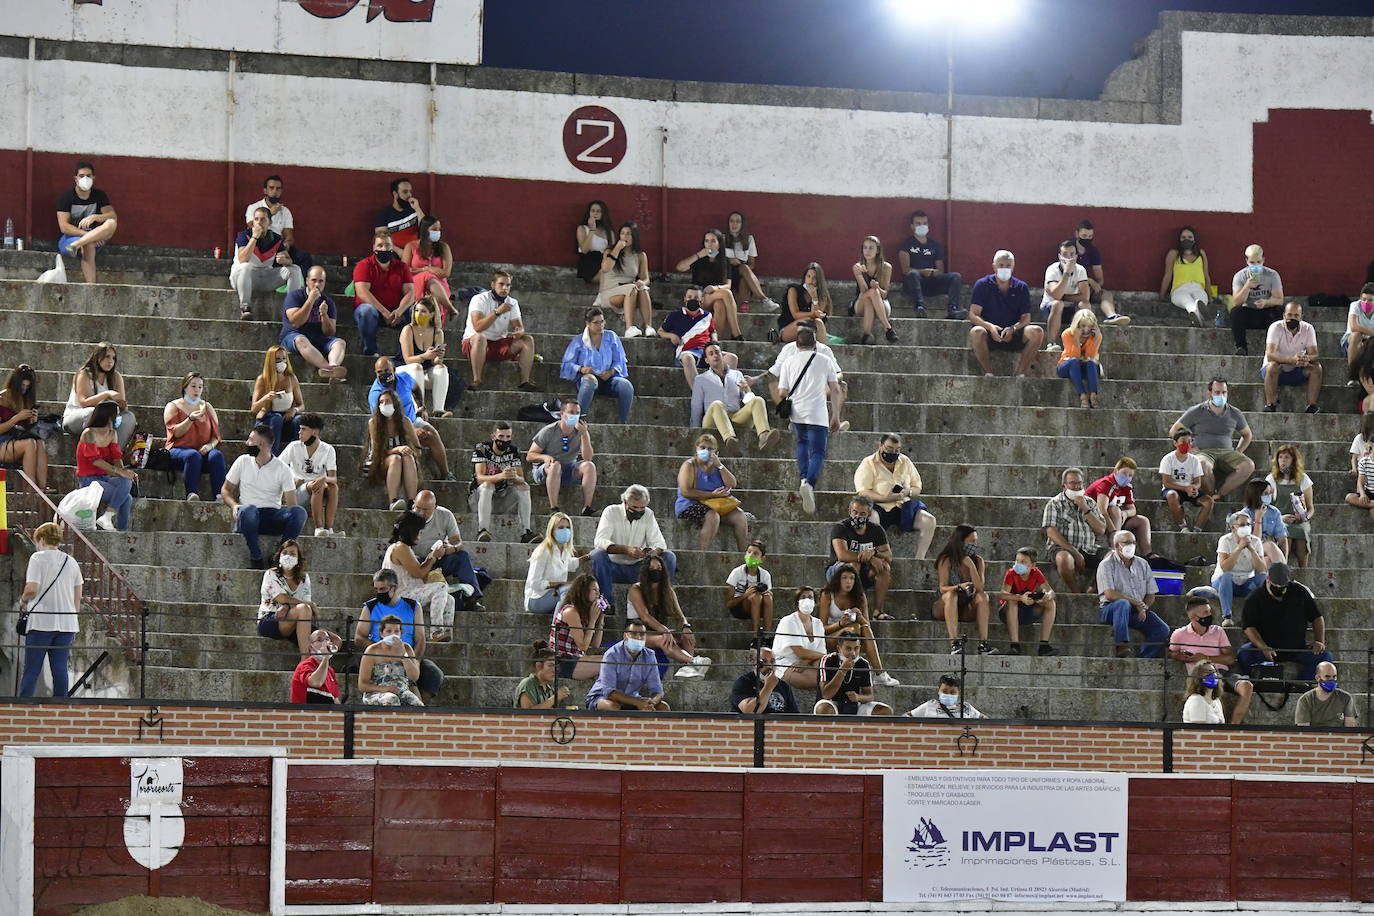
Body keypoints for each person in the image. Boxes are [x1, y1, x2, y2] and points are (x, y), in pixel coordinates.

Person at [777, 326, 842, 515]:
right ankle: (809, 483)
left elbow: (782, 392)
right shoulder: (824, 360)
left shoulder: (789, 362)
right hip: (818, 413)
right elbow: (836, 389)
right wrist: (836, 415)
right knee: (818, 453)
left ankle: (804, 478)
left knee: (802, 445)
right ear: (815, 344)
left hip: (797, 413)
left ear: (797, 344)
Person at [222, 424, 305, 570]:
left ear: (261, 444)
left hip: (272, 515)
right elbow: (226, 490)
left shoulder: (282, 468)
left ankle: (279, 555)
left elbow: (292, 504)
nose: (247, 443)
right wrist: (234, 505)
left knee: (299, 513)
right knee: (249, 510)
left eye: (250, 440)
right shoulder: (243, 461)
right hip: (248, 515)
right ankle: (256, 556)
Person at [354, 569, 444, 701]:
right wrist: (381, 650)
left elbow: (420, 639)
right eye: (377, 589)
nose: (379, 593)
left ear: (394, 588)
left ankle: (418, 708)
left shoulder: (413, 606)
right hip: (379, 656)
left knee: (434, 674)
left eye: (383, 589)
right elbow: (359, 637)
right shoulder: (370, 606)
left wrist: (415, 661)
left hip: (407, 654)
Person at [16, 522, 83, 697]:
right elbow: (78, 596)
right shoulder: (71, 561)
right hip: (66, 624)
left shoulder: (37, 558)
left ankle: (22, 708)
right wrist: (73, 619)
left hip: (41, 622)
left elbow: (32, 589)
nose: (36, 545)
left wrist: (23, 601)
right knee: (60, 669)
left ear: (42, 539)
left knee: (31, 670)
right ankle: (61, 709)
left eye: (36, 540)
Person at [1235, 562, 1332, 682]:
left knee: (1324, 657)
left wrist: (1319, 641)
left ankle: (1301, 684)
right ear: (1268, 579)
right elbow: (1249, 627)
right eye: (1275, 584)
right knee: (1244, 653)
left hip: (1297, 648)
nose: (1279, 588)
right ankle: (1256, 683)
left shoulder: (1299, 592)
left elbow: (1317, 617)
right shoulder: (1254, 598)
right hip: (1266, 649)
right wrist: (1263, 647)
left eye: (1282, 586)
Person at [1168, 593, 1253, 724]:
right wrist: (1184, 657)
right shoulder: (1179, 634)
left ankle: (1233, 728)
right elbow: (1172, 653)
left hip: (1222, 672)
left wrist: (1205, 657)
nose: (1209, 614)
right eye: (1205, 612)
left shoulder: (1218, 631)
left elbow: (1230, 658)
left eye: (1209, 611)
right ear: (1193, 617)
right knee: (1217, 697)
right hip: (1200, 676)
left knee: (1246, 686)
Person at [367, 357, 452, 481]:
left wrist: (421, 406)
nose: (383, 374)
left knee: (432, 434)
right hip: (393, 430)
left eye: (387, 370)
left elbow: (416, 388)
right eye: (379, 372)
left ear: (394, 370)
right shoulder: (376, 395)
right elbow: (383, 423)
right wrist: (410, 431)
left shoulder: (404, 378)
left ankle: (446, 474)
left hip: (413, 420)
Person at [853, 433, 937, 559]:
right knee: (871, 518)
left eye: (897, 450)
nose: (893, 453)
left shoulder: (905, 461)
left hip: (904, 506)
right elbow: (863, 491)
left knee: (929, 521)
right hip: (879, 506)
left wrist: (907, 492)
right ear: (881, 446)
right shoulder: (868, 463)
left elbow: (917, 487)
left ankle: (919, 558)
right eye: (889, 449)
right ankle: (874, 556)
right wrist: (886, 498)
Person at [627, 554, 712, 679]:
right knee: (664, 639)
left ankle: (688, 669)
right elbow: (645, 617)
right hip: (635, 634)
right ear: (645, 570)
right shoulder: (635, 589)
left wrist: (686, 627)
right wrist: (665, 630)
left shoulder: (667, 590)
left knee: (685, 636)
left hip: (657, 632)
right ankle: (693, 661)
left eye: (659, 567)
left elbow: (679, 615)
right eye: (651, 567)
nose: (655, 570)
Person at [1170, 378, 1254, 500]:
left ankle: (1219, 494)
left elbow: (1247, 435)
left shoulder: (1235, 413)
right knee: (1202, 465)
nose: (1221, 395)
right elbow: (1174, 431)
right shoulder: (1197, 411)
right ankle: (1209, 496)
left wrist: (1239, 450)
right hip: (1203, 452)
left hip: (1227, 452)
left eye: (1224, 392)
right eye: (1217, 392)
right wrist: (1189, 449)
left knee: (1248, 465)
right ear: (1210, 393)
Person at [591, 484, 675, 606]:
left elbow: (659, 543)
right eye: (635, 507)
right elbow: (600, 541)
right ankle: (607, 603)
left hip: (639, 568)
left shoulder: (648, 514)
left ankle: (664, 601)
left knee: (669, 557)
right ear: (625, 502)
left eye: (642, 508)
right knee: (597, 554)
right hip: (612, 568)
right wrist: (626, 550)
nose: (639, 511)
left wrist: (651, 554)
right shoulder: (611, 511)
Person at [818, 563, 900, 686]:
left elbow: (867, 625)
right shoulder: (828, 594)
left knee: (862, 628)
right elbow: (821, 629)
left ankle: (879, 674)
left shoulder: (859, 596)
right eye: (844, 578)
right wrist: (841, 624)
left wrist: (860, 617)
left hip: (853, 637)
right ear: (838, 580)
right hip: (831, 638)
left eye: (851, 578)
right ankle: (851, 668)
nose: (848, 582)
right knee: (854, 628)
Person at [382, 510, 456, 643]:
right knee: (440, 587)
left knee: (450, 599)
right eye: (420, 531)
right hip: (401, 596)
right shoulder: (400, 548)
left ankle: (446, 634)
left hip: (410, 593)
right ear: (412, 531)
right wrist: (433, 557)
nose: (421, 534)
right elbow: (419, 573)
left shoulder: (404, 548)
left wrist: (432, 556)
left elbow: (419, 571)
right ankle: (436, 631)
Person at [968, 250, 1044, 377]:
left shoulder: (1021, 287)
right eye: (1001, 265)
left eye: (1008, 265)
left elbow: (1026, 318)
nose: (1004, 268)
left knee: (1037, 331)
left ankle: (1020, 374)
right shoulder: (982, 285)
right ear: (994, 266)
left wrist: (1013, 329)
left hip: (1014, 333)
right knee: (976, 332)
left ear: (1013, 266)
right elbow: (973, 314)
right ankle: (989, 372)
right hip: (989, 333)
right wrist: (990, 327)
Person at [692, 342, 778, 453]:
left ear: (722, 355)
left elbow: (748, 401)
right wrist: (694, 430)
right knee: (717, 404)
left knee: (758, 400)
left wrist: (747, 390)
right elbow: (696, 407)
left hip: (735, 416)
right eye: (711, 353)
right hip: (713, 418)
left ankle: (764, 436)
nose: (715, 355)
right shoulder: (701, 379)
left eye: (717, 352)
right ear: (707, 360)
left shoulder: (736, 374)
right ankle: (730, 440)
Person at [1096, 531, 1168, 659]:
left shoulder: (1142, 564)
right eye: (1127, 543)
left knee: (1162, 629)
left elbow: (1151, 594)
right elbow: (1110, 594)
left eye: (1133, 543)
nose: (1131, 546)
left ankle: (1143, 657)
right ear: (1117, 546)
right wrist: (1136, 603)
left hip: (1137, 611)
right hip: (1111, 609)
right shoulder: (1106, 565)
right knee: (1123, 604)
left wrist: (1143, 607)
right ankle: (1121, 644)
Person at [463, 270, 537, 392]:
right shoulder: (479, 299)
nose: (504, 288)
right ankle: (477, 380)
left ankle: (525, 382)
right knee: (480, 337)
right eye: (501, 284)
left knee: (528, 340)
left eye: (508, 285)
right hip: (474, 344)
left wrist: (519, 332)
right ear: (493, 285)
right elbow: (478, 327)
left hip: (498, 344)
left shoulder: (512, 302)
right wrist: (497, 312)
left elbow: (519, 327)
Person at [675, 433, 749, 551]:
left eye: (710, 449)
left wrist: (719, 465)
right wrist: (712, 494)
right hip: (690, 505)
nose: (706, 451)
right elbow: (686, 491)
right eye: (702, 448)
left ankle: (743, 556)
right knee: (712, 516)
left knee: (740, 516)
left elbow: (732, 483)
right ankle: (703, 555)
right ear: (697, 449)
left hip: (716, 505)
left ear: (716, 453)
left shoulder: (717, 467)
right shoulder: (689, 465)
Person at [561, 306, 634, 421]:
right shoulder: (578, 341)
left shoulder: (611, 337)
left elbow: (620, 360)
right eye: (596, 323)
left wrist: (611, 371)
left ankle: (622, 421)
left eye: (602, 322)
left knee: (626, 385)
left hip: (609, 379)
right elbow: (567, 364)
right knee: (589, 380)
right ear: (588, 323)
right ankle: (578, 420)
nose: (600, 326)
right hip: (588, 381)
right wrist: (582, 369)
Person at [1042, 467, 1108, 593]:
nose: (1077, 487)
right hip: (1062, 548)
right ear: (1064, 486)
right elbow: (1050, 532)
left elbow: (1101, 530)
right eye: (1072, 483)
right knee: (1064, 559)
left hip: (1089, 547)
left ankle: (1093, 589)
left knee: (1113, 557)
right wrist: (1075, 552)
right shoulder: (1055, 503)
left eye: (1079, 483)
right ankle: (1075, 592)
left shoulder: (1090, 503)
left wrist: (1085, 509)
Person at [827, 496, 894, 619]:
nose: (858, 516)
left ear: (869, 514)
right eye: (855, 512)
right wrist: (870, 558)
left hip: (865, 572)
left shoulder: (876, 529)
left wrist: (874, 552)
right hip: (838, 570)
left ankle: (878, 611)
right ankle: (852, 608)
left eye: (862, 513)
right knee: (853, 566)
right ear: (849, 511)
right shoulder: (840, 527)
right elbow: (842, 555)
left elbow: (888, 555)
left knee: (885, 567)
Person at [163, 372, 226, 502]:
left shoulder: (207, 407)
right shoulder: (173, 406)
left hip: (202, 451)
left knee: (216, 456)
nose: (197, 390)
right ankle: (191, 493)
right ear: (185, 387)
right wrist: (190, 419)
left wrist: (210, 446)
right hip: (178, 451)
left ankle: (219, 495)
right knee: (192, 455)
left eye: (200, 387)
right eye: (193, 386)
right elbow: (176, 433)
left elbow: (216, 436)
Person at [231, 207, 303, 320]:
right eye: (256, 219)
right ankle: (245, 308)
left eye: (263, 219)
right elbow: (243, 258)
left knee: (295, 269)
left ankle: (291, 308)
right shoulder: (244, 235)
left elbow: (289, 260)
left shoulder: (275, 238)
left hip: (265, 277)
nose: (259, 222)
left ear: (269, 222)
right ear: (253, 222)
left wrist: (285, 260)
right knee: (245, 266)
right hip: (243, 277)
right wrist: (254, 237)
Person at [527, 400, 598, 515]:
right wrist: (545, 457)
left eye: (577, 413)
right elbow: (530, 455)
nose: (574, 416)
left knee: (590, 466)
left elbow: (588, 458)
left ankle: (587, 507)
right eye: (571, 412)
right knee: (556, 465)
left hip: (568, 468)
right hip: (547, 470)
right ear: (562, 414)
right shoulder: (549, 431)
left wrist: (584, 435)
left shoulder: (581, 431)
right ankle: (554, 508)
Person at [413, 489, 483, 603]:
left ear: (435, 507)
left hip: (440, 560)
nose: (421, 513)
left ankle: (472, 598)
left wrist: (451, 548)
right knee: (412, 560)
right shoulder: (408, 518)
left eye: (425, 510)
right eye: (418, 508)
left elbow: (458, 542)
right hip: (418, 562)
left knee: (462, 556)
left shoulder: (445, 515)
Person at [933, 525, 995, 656]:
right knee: (951, 595)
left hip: (966, 607)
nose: (975, 544)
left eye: (976, 541)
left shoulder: (978, 561)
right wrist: (959, 587)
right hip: (945, 606)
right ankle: (954, 644)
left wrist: (971, 566)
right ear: (961, 542)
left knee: (983, 597)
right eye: (971, 541)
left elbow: (980, 588)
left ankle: (983, 644)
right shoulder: (946, 559)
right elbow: (942, 588)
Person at [470, 421, 536, 543]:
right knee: (488, 484)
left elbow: (521, 478)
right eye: (501, 436)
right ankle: (482, 530)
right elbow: (480, 478)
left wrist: (513, 476)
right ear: (493, 436)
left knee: (524, 486)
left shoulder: (513, 451)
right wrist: (501, 475)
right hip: (478, 497)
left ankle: (526, 532)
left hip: (501, 497)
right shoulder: (482, 448)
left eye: (508, 437)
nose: (505, 440)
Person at [353, 229, 415, 356]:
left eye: (387, 245)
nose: (384, 248)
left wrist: (399, 310)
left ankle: (404, 354)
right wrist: (384, 312)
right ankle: (370, 350)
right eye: (380, 245)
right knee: (366, 311)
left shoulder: (402, 267)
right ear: (374, 247)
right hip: (373, 312)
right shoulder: (364, 265)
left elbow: (410, 293)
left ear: (392, 247)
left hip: (396, 313)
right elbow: (362, 292)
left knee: (415, 311)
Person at [61, 341, 135, 449]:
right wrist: (107, 394)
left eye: (113, 358)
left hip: (107, 418)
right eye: (106, 357)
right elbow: (84, 402)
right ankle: (93, 455)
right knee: (92, 412)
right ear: (97, 357)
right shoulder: (84, 374)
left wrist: (122, 405)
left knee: (129, 417)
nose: (110, 361)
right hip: (76, 418)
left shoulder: (116, 376)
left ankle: (114, 454)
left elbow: (122, 404)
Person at [673, 229, 744, 340]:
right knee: (727, 294)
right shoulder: (699, 259)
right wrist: (698, 255)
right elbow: (680, 267)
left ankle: (714, 340)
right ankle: (736, 333)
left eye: (713, 241)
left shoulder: (724, 261)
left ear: (719, 244)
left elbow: (728, 284)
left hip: (716, 294)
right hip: (699, 297)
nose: (709, 244)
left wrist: (715, 288)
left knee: (720, 304)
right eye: (707, 241)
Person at [76, 402, 136, 531]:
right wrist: (119, 471)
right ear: (108, 417)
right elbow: (95, 461)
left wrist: (125, 472)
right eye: (117, 414)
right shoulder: (89, 433)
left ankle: (112, 522)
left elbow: (116, 458)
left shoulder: (112, 433)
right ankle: (112, 521)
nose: (119, 417)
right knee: (126, 497)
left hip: (104, 478)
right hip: (88, 480)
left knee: (126, 482)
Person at [281, 266, 348, 382]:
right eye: (314, 280)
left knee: (340, 343)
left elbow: (330, 332)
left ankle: (333, 366)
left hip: (317, 337)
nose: (317, 284)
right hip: (293, 335)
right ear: (307, 281)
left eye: (321, 281)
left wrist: (324, 316)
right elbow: (296, 322)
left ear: (324, 283)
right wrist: (310, 301)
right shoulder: (294, 296)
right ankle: (329, 370)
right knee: (301, 340)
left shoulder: (328, 302)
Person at [56, 160, 117, 284]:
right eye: (82, 176)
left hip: (92, 236)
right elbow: (64, 227)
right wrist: (88, 237)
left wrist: (96, 217)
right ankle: (92, 287)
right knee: (88, 244)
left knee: (111, 223)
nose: (85, 179)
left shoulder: (99, 195)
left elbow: (112, 215)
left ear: (94, 177)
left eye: (88, 176)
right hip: (70, 238)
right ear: (76, 178)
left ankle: (78, 245)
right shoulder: (67, 197)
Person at [586, 621, 669, 711]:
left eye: (642, 634)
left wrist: (651, 702)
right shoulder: (612, 654)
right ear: (625, 636)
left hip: (633, 698)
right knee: (612, 707)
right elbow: (609, 692)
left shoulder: (650, 656)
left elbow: (657, 691)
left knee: (663, 707)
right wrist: (638, 703)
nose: (638, 637)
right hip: (602, 697)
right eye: (634, 634)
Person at [279, 413, 340, 537]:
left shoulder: (328, 449)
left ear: (315, 432)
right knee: (317, 485)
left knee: (333, 487)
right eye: (300, 429)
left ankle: (329, 529)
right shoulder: (293, 447)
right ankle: (318, 527)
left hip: (318, 491)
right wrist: (291, 482)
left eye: (303, 429)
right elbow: (277, 468)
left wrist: (324, 478)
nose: (299, 432)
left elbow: (333, 478)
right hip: (297, 492)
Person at [256, 539, 317, 659]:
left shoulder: (304, 578)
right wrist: (307, 604)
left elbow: (306, 603)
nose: (288, 556)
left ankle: (317, 669)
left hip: (296, 622)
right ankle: (304, 663)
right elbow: (281, 598)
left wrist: (292, 606)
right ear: (279, 556)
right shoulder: (271, 574)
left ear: (299, 559)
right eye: (285, 553)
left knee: (334, 640)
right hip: (270, 619)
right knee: (304, 608)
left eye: (293, 553)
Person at [897, 210, 963, 319]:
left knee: (955, 276)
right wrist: (923, 271)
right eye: (918, 223)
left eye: (924, 223)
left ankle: (953, 310)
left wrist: (933, 273)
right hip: (913, 284)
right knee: (913, 274)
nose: (922, 226)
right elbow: (905, 270)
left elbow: (941, 270)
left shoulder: (935, 245)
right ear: (912, 226)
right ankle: (919, 308)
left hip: (931, 282)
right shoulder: (906, 244)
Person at [363, 389, 421, 510]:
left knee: (408, 457)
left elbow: (417, 447)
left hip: (402, 460)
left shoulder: (405, 421)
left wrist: (410, 451)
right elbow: (376, 453)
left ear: (395, 403)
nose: (384, 405)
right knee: (396, 458)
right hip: (378, 462)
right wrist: (397, 449)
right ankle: (393, 501)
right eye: (381, 402)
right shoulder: (374, 423)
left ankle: (411, 502)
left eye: (388, 401)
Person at [1261, 301, 1322, 414]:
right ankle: (1271, 404)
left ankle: (1311, 406)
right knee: (1272, 366)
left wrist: (1306, 359)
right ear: (1284, 315)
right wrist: (1292, 360)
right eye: (1289, 315)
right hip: (1275, 372)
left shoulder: (1308, 329)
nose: (1292, 318)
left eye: (1296, 316)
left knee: (1316, 367)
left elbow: (1315, 355)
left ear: (1301, 317)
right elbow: (1270, 355)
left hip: (1297, 371)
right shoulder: (1275, 327)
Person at [996, 547, 1059, 656]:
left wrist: (1047, 596)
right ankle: (1015, 646)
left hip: (1028, 611)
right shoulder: (1011, 573)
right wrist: (1020, 598)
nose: (1018, 564)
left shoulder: (1036, 573)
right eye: (1017, 560)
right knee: (1012, 601)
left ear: (1033, 565)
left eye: (1023, 562)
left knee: (1051, 603)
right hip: (1008, 613)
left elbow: (1051, 591)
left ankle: (1044, 645)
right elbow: (1002, 594)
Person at [1084, 457, 1153, 557]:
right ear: (1116, 471)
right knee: (1115, 509)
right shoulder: (1106, 484)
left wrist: (1125, 513)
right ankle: (1115, 547)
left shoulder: (1127, 487)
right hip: (1097, 521)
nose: (1127, 477)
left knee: (1142, 520)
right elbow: (1101, 510)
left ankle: (1148, 555)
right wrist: (1114, 532)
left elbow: (1132, 509)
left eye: (1130, 475)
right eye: (1125, 473)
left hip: (1116, 521)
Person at [1210, 511, 1269, 627]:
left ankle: (1262, 616)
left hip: (1246, 583)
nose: (1246, 527)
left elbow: (1262, 569)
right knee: (1226, 576)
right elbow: (1225, 567)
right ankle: (1227, 616)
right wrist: (1239, 548)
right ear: (1233, 527)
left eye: (1248, 524)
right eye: (1242, 525)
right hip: (1225, 582)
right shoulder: (1225, 540)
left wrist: (1251, 549)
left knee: (1263, 578)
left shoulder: (1256, 541)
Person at [245, 174, 311, 276]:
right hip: (260, 245)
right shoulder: (253, 208)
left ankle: (307, 290)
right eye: (271, 188)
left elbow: (289, 235)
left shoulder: (285, 211)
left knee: (304, 257)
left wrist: (287, 244)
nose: (275, 191)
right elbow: (252, 229)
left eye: (278, 189)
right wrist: (270, 213)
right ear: (265, 191)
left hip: (279, 246)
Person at [814, 632, 893, 716]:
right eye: (848, 649)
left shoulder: (863, 664)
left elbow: (870, 695)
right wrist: (842, 671)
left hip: (853, 704)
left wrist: (859, 697)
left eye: (856, 648)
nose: (853, 653)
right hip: (831, 702)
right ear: (839, 648)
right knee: (824, 709)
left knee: (885, 711)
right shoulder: (828, 660)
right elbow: (826, 694)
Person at [398, 298, 451, 420]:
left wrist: (439, 357)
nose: (418, 314)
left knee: (441, 368)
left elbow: (435, 362)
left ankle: (439, 409)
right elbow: (407, 359)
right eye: (416, 311)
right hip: (405, 371)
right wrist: (424, 356)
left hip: (424, 373)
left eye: (423, 311)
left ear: (431, 314)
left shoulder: (437, 333)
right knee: (417, 366)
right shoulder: (408, 329)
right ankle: (419, 409)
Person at [597, 222, 653, 336]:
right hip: (611, 291)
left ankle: (648, 327)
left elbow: (646, 278)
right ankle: (629, 328)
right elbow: (605, 268)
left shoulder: (640, 255)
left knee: (643, 288)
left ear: (634, 237)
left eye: (628, 234)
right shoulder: (609, 251)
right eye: (622, 233)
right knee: (632, 289)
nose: (625, 237)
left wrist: (642, 282)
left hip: (630, 290)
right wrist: (617, 249)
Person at [0, 365, 50, 493]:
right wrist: (16, 418)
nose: (24, 390)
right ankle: (31, 487)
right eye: (22, 387)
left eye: (27, 388)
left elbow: (26, 430)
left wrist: (32, 421)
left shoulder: (26, 399)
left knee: (40, 442)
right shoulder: (2, 399)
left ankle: (42, 488)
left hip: (18, 440)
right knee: (30, 443)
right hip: (3, 443)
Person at [659, 287, 720, 389]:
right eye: (689, 297)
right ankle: (699, 393)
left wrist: (715, 340)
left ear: (701, 300)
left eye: (696, 297)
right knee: (687, 358)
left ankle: (726, 394)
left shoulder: (707, 315)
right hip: (687, 351)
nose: (692, 299)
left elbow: (713, 331)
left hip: (706, 351)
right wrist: (671, 335)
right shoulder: (674, 315)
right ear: (685, 299)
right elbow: (660, 331)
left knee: (731, 358)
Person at [548, 573, 606, 680]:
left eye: (598, 590)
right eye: (594, 590)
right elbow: (583, 646)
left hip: (577, 659)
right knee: (608, 664)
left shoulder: (584, 613)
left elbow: (595, 645)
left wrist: (600, 619)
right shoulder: (571, 611)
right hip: (562, 662)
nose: (598, 594)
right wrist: (592, 620)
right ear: (584, 591)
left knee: (611, 659)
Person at [1072, 220, 1130, 327]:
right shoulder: (1069, 249)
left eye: (1090, 236)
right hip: (1071, 288)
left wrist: (1095, 285)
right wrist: (1088, 280)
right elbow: (1066, 274)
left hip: (1087, 289)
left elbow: (1100, 279)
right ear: (1077, 234)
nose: (1087, 239)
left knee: (1106, 294)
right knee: (1083, 302)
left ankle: (1112, 316)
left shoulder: (1093, 251)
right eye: (1084, 235)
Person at [526, 512, 587, 613]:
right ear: (552, 531)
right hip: (537, 597)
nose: (565, 530)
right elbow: (534, 583)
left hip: (554, 594)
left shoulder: (565, 550)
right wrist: (560, 584)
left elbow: (569, 564)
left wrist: (588, 557)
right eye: (561, 527)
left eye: (568, 527)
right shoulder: (543, 551)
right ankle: (557, 626)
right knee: (568, 591)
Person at [1229, 244, 1284, 356]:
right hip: (1249, 311)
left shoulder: (1272, 275)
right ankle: (1241, 347)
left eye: (1258, 262)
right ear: (1246, 261)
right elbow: (1236, 302)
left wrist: (1266, 302)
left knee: (1280, 310)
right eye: (1252, 263)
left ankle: (1274, 348)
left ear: (1263, 260)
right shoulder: (1240, 276)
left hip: (1267, 312)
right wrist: (1246, 287)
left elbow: (1279, 300)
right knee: (1235, 312)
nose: (1256, 266)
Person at [359, 615, 424, 707]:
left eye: (396, 631)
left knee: (417, 705)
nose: (393, 634)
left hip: (402, 691)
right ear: (382, 633)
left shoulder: (407, 648)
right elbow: (362, 685)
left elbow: (414, 677)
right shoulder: (372, 650)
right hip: (378, 692)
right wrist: (384, 689)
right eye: (389, 631)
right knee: (391, 699)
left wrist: (403, 655)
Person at [250, 344, 304, 455]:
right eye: (278, 359)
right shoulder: (263, 379)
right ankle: (271, 456)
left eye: (284, 359)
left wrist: (294, 410)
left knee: (298, 420)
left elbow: (301, 405)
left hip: (286, 419)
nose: (281, 362)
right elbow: (254, 409)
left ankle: (295, 456)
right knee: (276, 418)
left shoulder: (291, 378)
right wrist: (266, 398)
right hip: (269, 419)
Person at [1040, 239, 1091, 354]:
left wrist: (1065, 297)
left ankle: (1084, 343)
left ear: (1076, 256)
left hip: (1070, 308)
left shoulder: (1080, 270)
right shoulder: (1052, 270)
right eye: (1065, 254)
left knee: (1085, 305)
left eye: (1072, 254)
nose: (1068, 257)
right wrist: (1067, 273)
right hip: (1050, 309)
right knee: (1058, 304)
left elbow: (1085, 296)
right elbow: (1056, 295)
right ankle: (1051, 343)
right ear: (1059, 256)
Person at [1267, 444, 1314, 568]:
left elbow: (1311, 508)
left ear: (1293, 460)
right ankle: (1282, 568)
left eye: (1287, 457)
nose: (1283, 460)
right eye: (1280, 457)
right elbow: (1266, 507)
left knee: (1302, 532)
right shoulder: (1271, 479)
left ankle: (1303, 569)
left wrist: (1305, 517)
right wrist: (1280, 518)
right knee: (1285, 532)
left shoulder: (1303, 479)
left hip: (1299, 520)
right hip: (1279, 519)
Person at [1159, 429, 1214, 533]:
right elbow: (1166, 483)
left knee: (1208, 501)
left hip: (1189, 488)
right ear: (1175, 443)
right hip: (1173, 489)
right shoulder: (1168, 459)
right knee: (1172, 495)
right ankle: (1183, 527)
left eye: (1189, 441)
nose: (1187, 444)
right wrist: (1185, 488)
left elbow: (1198, 482)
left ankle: (1197, 529)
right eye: (1183, 441)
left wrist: (1194, 489)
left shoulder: (1194, 460)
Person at [771, 587, 826, 690]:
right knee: (821, 679)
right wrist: (825, 656)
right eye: (803, 597)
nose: (807, 600)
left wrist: (806, 661)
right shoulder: (788, 621)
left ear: (815, 602)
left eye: (810, 597)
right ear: (797, 602)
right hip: (786, 663)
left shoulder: (818, 623)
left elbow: (821, 654)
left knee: (828, 668)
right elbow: (800, 652)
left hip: (807, 661)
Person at [402, 216, 454, 322]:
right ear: (425, 230)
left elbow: (446, 272)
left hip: (440, 285)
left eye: (439, 229)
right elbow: (405, 270)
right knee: (427, 275)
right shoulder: (411, 246)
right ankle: (450, 307)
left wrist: (425, 269)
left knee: (428, 276)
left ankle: (436, 329)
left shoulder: (444, 247)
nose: (437, 232)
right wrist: (428, 271)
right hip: (416, 283)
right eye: (434, 229)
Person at [1159, 225, 1212, 327]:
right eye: (1183, 237)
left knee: (1200, 299)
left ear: (1194, 239)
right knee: (1187, 301)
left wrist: (1210, 296)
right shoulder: (1173, 254)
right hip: (1179, 289)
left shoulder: (1201, 254)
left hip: (1198, 288)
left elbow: (1206, 276)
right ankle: (1195, 313)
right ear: (1179, 239)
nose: (1186, 240)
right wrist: (1161, 295)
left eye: (1189, 237)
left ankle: (1198, 314)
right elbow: (1168, 275)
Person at [851, 235, 898, 344]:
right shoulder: (858, 267)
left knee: (872, 296)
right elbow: (863, 291)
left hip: (882, 304)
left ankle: (866, 335)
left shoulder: (886, 267)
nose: (867, 251)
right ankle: (888, 329)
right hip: (861, 302)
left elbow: (884, 294)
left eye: (871, 248)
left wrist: (877, 288)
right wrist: (860, 275)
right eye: (865, 247)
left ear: (877, 250)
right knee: (868, 296)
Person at [731, 640, 799, 714]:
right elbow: (750, 712)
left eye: (772, 661)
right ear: (754, 664)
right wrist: (768, 686)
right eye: (764, 661)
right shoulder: (743, 682)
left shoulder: (784, 686)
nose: (769, 666)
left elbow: (794, 716)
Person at [1056, 308, 1102, 409]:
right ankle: (1082, 396)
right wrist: (1076, 340)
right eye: (1083, 326)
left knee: (1091, 363)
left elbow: (1090, 356)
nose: (1086, 330)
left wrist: (1096, 339)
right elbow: (1073, 357)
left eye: (1089, 326)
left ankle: (1093, 395)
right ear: (1077, 325)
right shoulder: (1067, 334)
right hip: (1067, 365)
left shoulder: (1096, 336)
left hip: (1085, 365)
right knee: (1074, 362)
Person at [725, 539, 774, 635]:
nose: (751, 555)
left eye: (755, 553)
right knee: (755, 597)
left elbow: (767, 595)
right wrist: (745, 595)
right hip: (740, 607)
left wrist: (766, 593)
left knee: (768, 598)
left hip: (759, 607)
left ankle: (768, 636)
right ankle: (755, 636)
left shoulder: (765, 575)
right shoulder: (737, 572)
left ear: (762, 558)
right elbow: (729, 604)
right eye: (749, 552)